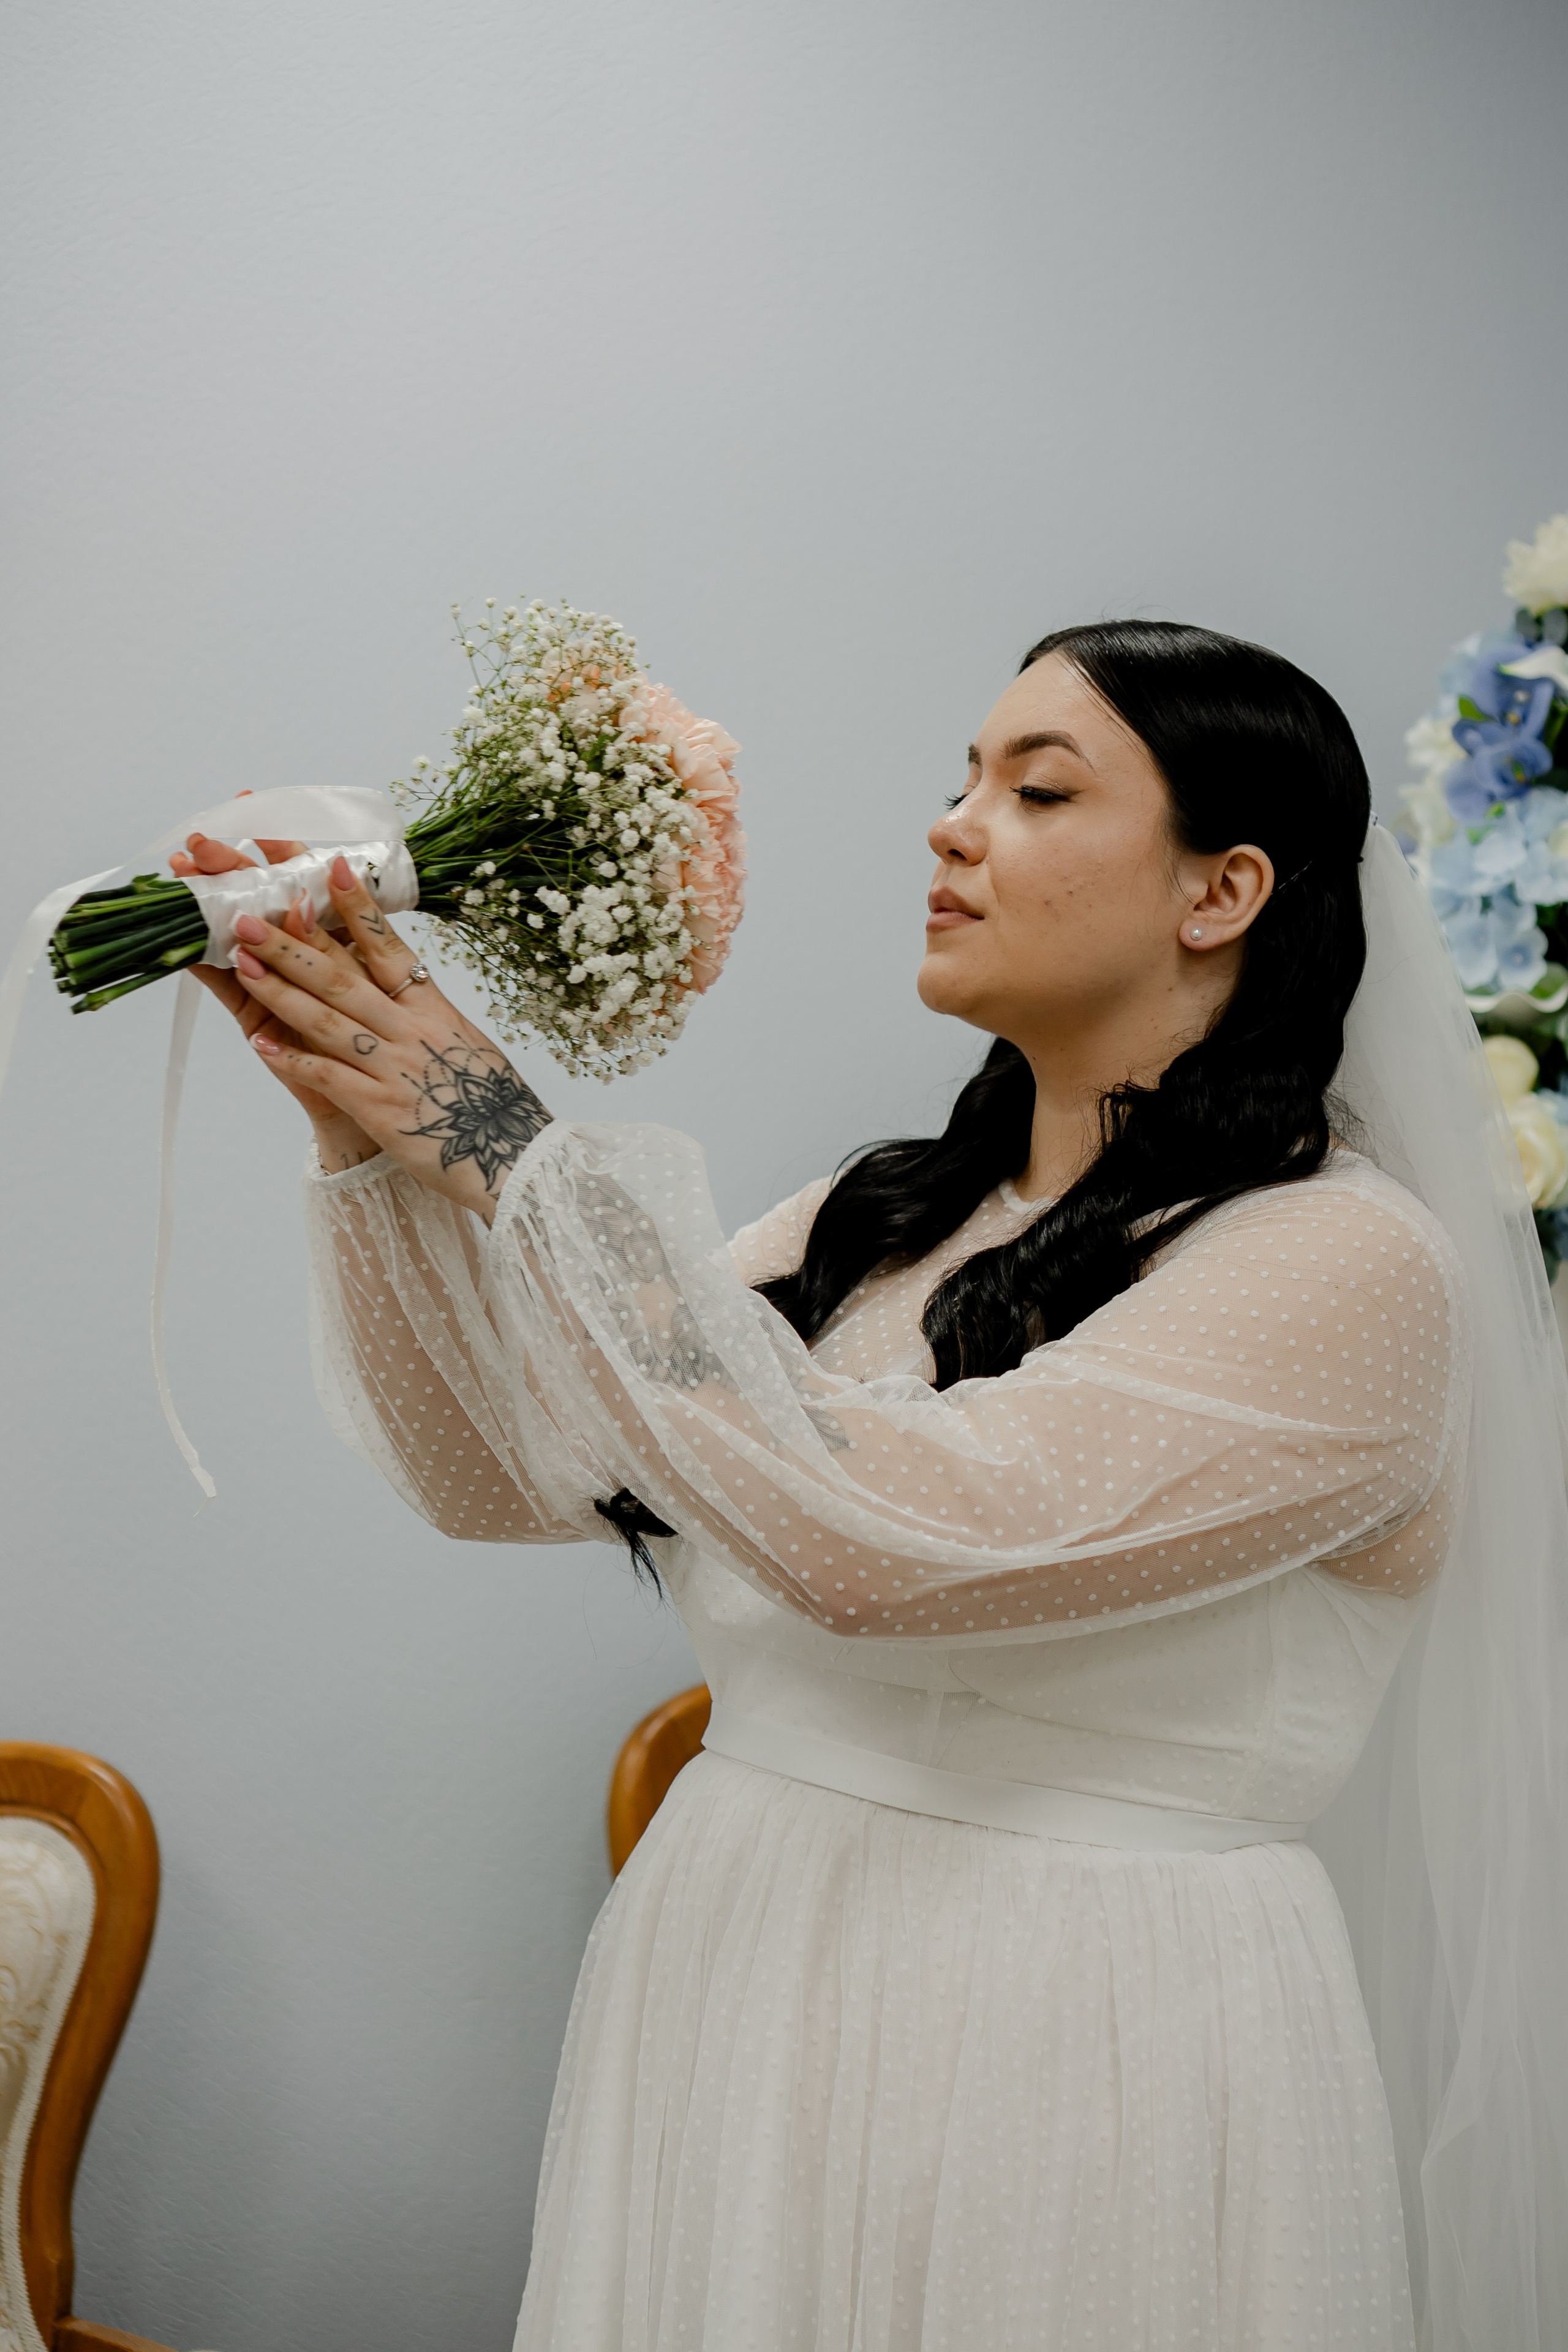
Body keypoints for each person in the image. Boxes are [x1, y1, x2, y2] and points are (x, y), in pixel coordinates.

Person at [184, 621, 1566, 2352]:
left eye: (1037, 787)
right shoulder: (884, 1218)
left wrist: (515, 1157)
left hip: (1085, 2020)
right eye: (961, 779)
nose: (953, 824)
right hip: (740, 1956)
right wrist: (366, 1131)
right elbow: (507, 1472)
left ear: (1223, 893)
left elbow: (899, 1543)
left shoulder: (1348, 1264)